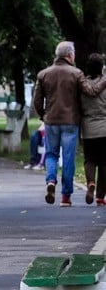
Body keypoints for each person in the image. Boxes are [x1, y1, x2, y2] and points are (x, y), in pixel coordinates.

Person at [32, 41, 106, 207]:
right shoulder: (76, 73)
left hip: (51, 121)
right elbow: (91, 92)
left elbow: (37, 101)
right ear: (69, 55)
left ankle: (51, 181)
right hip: (70, 122)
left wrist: (44, 115)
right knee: (68, 158)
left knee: (51, 155)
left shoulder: (43, 74)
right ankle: (66, 197)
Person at [80, 53, 106, 206]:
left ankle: (90, 183)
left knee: (90, 160)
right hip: (104, 128)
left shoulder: (82, 86)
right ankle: (101, 197)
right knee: (104, 163)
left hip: (88, 128)